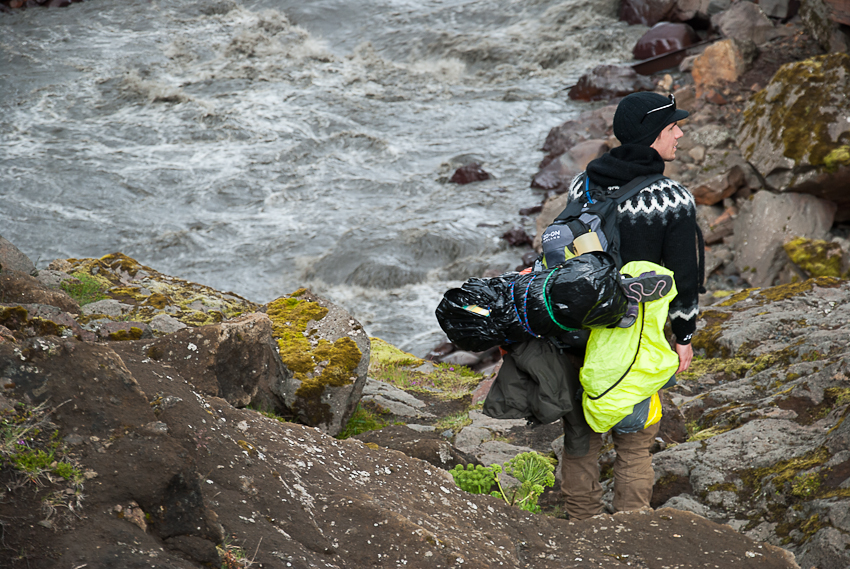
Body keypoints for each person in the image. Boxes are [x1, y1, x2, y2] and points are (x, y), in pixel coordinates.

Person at [559, 91, 703, 520]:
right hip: (634, 339)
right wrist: (684, 336)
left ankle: (579, 527)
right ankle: (631, 529)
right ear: (653, 134)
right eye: (673, 126)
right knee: (636, 443)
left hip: (578, 333)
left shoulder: (582, 185)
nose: (679, 134)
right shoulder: (670, 199)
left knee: (581, 439)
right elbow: (684, 278)